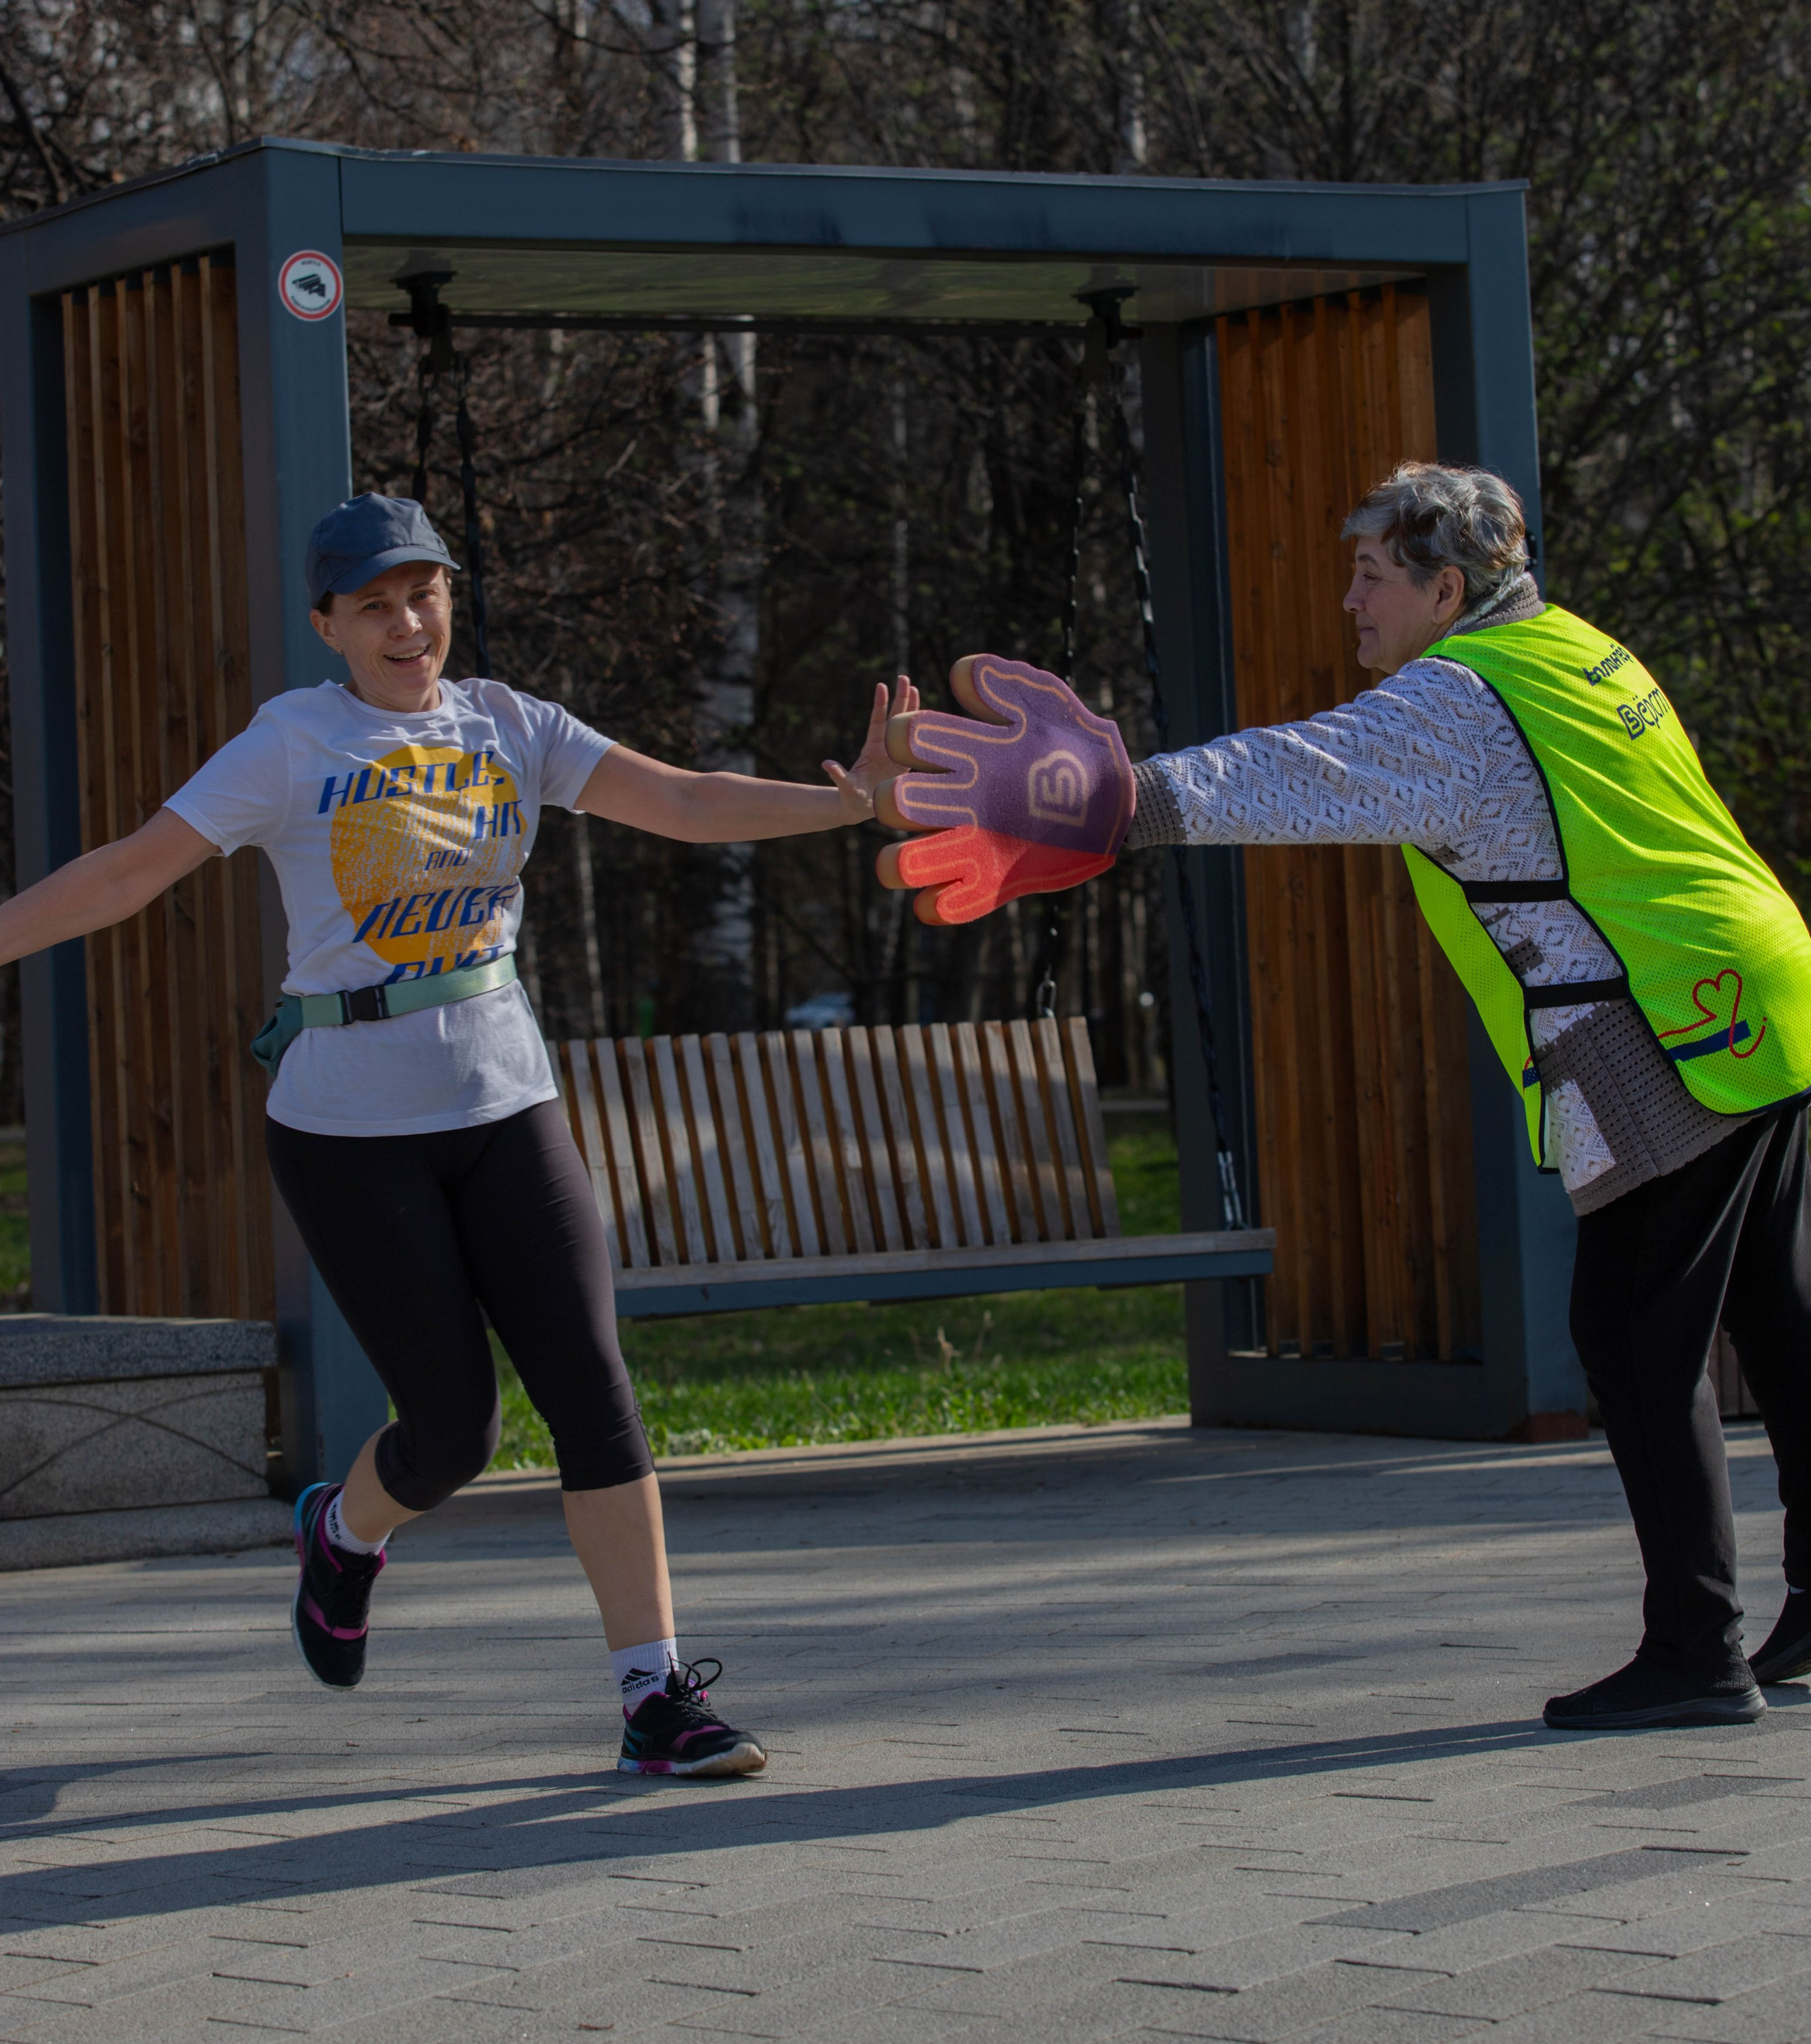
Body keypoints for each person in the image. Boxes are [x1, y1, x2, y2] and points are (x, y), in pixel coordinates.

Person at [0, 492, 914, 1777]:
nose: (406, 623)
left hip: (505, 1106)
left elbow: (684, 799)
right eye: (373, 604)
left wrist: (852, 804)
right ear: (327, 625)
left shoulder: (511, 724)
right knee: (455, 1432)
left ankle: (654, 1698)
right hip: (348, 1129)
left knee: (593, 1389)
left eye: (423, 593)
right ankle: (343, 1535)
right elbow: (129, 870)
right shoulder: (292, 742)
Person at [890, 463, 1811, 1731]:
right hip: (1762, 987)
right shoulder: (1576, 649)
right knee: (1777, 1312)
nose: (1349, 601)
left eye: (1373, 576)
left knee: (1634, 1338)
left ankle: (1697, 1654)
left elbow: (1295, 772)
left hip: (1657, 1022)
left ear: (1448, 590)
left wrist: (1111, 803)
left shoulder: (1461, 698)